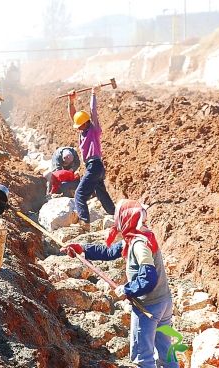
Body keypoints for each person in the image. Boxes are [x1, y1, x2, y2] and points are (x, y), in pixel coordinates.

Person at [61, 199, 178, 368]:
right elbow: (109, 252)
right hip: (164, 302)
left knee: (143, 357)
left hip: (148, 307)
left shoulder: (138, 245)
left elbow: (148, 278)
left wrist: (127, 289)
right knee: (166, 351)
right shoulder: (139, 235)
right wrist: (82, 249)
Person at [68, 86, 115, 231]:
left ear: (87, 122)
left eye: (79, 124)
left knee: (79, 194)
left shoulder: (93, 130)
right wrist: (71, 102)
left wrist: (93, 94)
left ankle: (85, 223)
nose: (77, 127)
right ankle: (116, 215)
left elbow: (93, 112)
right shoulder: (82, 131)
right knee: (102, 194)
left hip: (95, 166)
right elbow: (74, 116)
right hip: (95, 167)